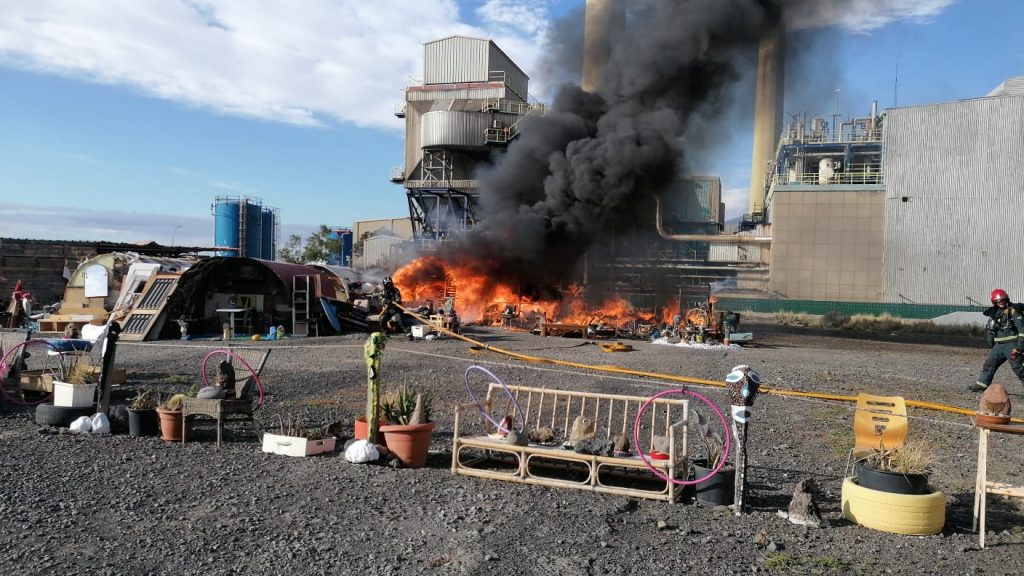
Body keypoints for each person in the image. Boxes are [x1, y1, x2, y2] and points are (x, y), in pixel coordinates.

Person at [970, 288, 1024, 392]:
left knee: (1019, 368)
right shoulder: (995, 313)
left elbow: (1022, 330)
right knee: (989, 364)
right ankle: (981, 385)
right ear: (994, 302)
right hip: (999, 345)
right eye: (998, 301)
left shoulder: (1014, 312)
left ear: (1006, 299)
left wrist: (1019, 347)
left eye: (1002, 300)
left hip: (1012, 345)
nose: (1001, 303)